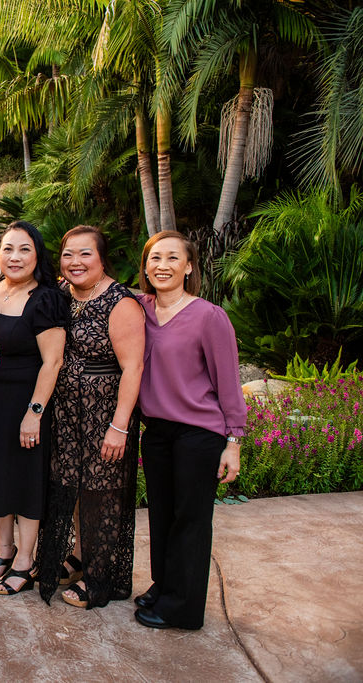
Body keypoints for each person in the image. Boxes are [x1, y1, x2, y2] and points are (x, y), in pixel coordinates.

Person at [133, 230, 245, 630]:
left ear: (189, 267)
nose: (162, 266)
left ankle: (182, 606)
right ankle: (165, 585)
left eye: (172, 258)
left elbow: (228, 382)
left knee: (190, 519)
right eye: (155, 258)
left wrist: (233, 441)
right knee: (163, 514)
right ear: (145, 267)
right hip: (157, 432)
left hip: (198, 432)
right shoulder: (139, 309)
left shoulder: (209, 316)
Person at [37, 225, 144, 609]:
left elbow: (133, 368)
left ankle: (100, 577)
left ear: (101, 258)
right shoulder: (63, 294)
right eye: (68, 254)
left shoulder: (120, 303)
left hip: (104, 414)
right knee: (74, 488)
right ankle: (80, 556)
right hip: (67, 412)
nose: (75, 262)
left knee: (102, 493)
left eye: (85, 254)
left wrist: (119, 426)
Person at [0, 221, 67, 595]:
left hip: (26, 403)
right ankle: (5, 550)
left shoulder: (45, 299)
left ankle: (26, 561)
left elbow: (53, 361)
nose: (15, 257)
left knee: (26, 479)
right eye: (8, 249)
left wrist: (34, 413)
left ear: (37, 255)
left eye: (24, 249)